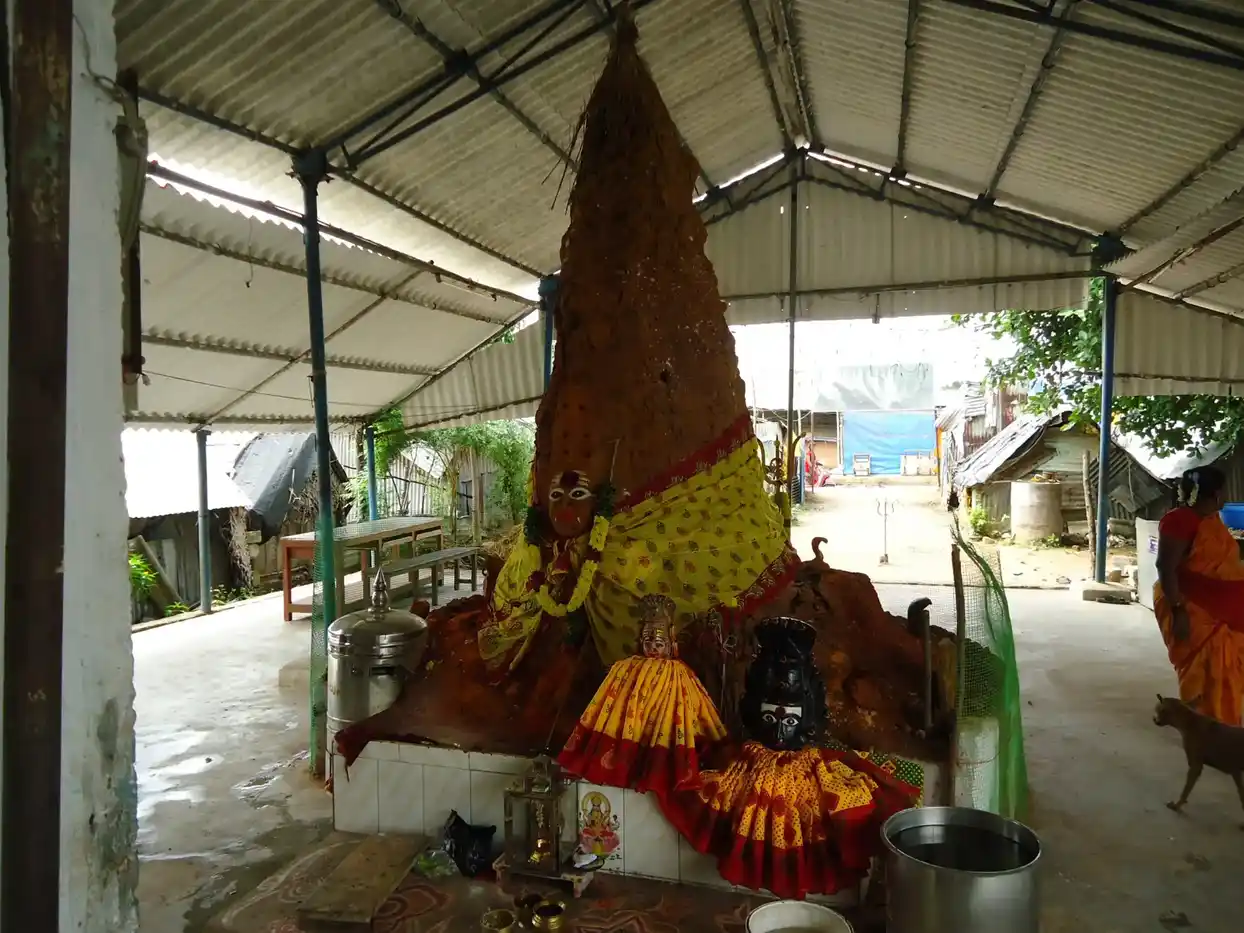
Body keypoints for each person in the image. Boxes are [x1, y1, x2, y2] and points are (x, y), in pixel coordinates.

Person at [1155, 466, 1244, 725]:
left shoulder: (1211, 520)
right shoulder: (1179, 521)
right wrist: (1178, 610)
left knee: (1226, 674)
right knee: (1205, 676)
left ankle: (1222, 729)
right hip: (1193, 610)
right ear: (1216, 494)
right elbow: (1165, 566)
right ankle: (1205, 731)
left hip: (1224, 616)